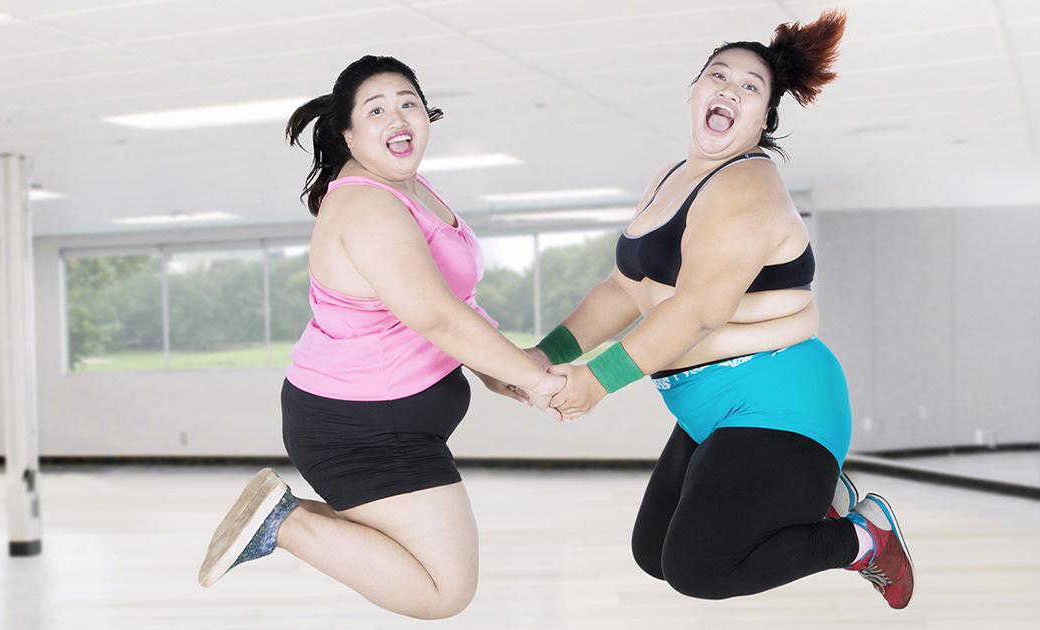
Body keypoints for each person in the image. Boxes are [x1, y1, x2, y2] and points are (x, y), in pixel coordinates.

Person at [528, 11, 914, 609]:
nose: (729, 89)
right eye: (718, 75)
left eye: (750, 87)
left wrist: (597, 382)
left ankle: (862, 537)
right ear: (694, 92)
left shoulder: (747, 187)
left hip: (780, 401)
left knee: (699, 569)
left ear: (764, 119)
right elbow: (623, 290)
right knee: (653, 552)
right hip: (707, 405)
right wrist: (544, 355)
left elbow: (699, 311)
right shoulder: (671, 177)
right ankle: (824, 497)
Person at [195, 55, 564, 620]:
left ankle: (279, 516)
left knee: (437, 572)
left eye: (408, 103)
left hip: (386, 419)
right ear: (348, 133)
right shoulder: (368, 203)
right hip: (362, 426)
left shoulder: (411, 189)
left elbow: (457, 302)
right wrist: (536, 380)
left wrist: (501, 367)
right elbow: (435, 317)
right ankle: (283, 522)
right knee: (442, 590)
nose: (398, 117)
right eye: (377, 109)